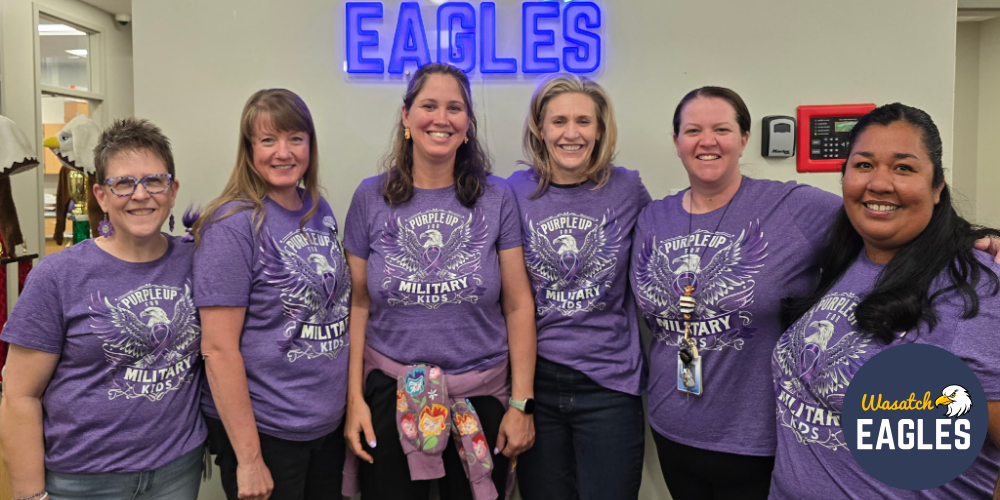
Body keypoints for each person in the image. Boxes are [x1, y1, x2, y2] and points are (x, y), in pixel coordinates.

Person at [772, 102, 1000, 498]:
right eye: (863, 165)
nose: (879, 183)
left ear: (937, 186)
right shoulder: (847, 257)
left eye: (903, 167)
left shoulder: (976, 289)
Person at [629, 86, 843, 499]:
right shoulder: (654, 218)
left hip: (756, 439)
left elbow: (876, 217)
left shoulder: (791, 206)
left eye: (721, 129)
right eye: (693, 130)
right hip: (672, 428)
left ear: (743, 138)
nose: (707, 140)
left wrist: (965, 240)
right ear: (676, 142)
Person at [342, 62, 537, 500]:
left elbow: (518, 305)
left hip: (481, 400)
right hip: (389, 398)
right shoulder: (369, 197)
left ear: (467, 124)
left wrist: (521, 403)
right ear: (407, 116)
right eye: (429, 105)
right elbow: (357, 305)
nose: (441, 118)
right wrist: (354, 399)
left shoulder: (497, 197)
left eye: (455, 108)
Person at [0, 118, 204, 500]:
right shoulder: (57, 276)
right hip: (84, 480)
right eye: (123, 183)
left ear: (173, 191)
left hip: (177, 469)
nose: (140, 195)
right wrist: (30, 495)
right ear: (101, 195)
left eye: (154, 181)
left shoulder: (198, 260)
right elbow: (19, 395)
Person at [193, 89, 350, 500]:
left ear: (310, 145)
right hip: (268, 432)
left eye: (295, 138)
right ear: (249, 149)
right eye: (268, 140)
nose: (283, 152)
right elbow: (218, 349)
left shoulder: (318, 209)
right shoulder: (231, 226)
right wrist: (248, 459)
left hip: (324, 427)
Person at [507, 74, 650, 500]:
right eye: (559, 121)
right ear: (540, 128)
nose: (572, 133)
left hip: (610, 385)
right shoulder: (514, 192)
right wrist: (521, 400)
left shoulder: (627, 189)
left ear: (601, 129)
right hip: (537, 382)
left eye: (584, 121)